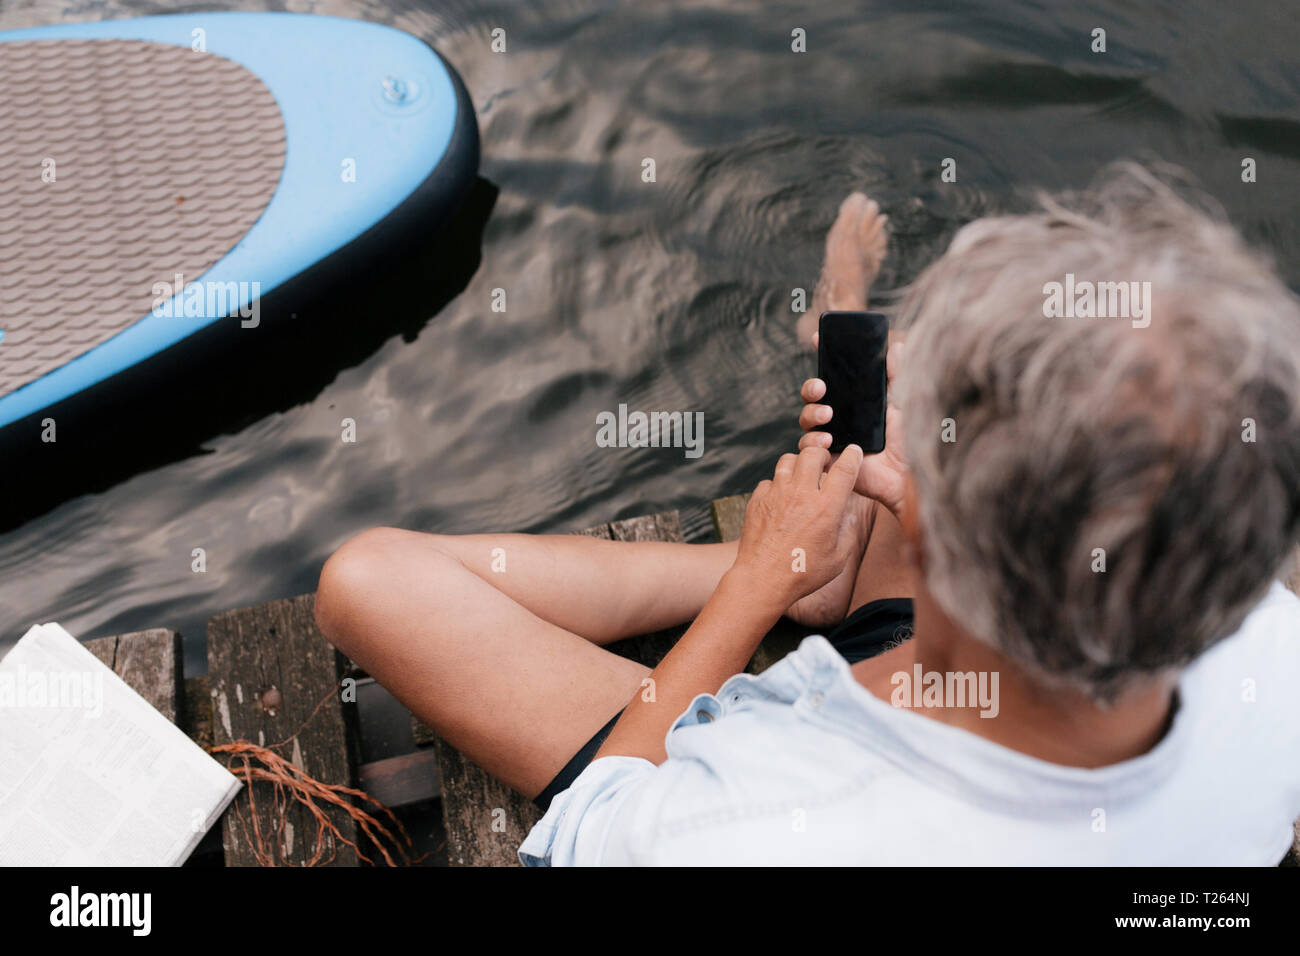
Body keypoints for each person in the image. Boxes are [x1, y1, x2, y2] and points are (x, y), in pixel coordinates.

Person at [313, 163, 1300, 864]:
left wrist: (753, 589)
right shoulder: (1273, 653)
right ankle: (823, 556)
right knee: (990, 440)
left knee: (370, 580)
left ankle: (793, 562)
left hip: (841, 704)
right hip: (998, 652)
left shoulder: (745, 829)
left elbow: (597, 821)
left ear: (947, 533)